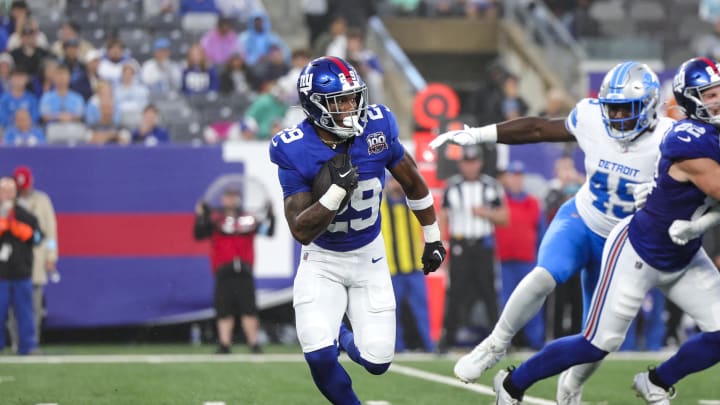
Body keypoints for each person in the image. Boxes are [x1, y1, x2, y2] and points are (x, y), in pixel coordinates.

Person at [430, 61, 674, 403]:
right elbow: (538, 129)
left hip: (621, 242)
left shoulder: (668, 138)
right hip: (581, 220)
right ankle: (495, 345)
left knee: (600, 340)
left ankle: (571, 384)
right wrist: (479, 133)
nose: (617, 117)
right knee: (547, 275)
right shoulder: (592, 118)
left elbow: (695, 183)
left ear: (648, 106)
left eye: (626, 108)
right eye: (612, 108)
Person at [482, 57, 720, 405]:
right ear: (690, 100)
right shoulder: (686, 139)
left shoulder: (710, 134)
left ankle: (656, 380)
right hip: (639, 251)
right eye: (710, 94)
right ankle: (513, 383)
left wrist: (701, 225)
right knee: (597, 342)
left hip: (683, 255)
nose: (717, 100)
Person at [269, 56, 446, 404]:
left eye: (354, 97)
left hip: (370, 257)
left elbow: (414, 183)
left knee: (377, 361)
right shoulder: (293, 148)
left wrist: (433, 237)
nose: (352, 107)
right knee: (319, 354)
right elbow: (301, 229)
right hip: (323, 259)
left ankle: (342, 334)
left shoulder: (377, 127)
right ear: (316, 106)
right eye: (341, 101)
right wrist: (336, 191)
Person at [437, 144, 507, 353]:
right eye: (466, 162)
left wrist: (485, 213)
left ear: (480, 163)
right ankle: (446, 341)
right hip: (460, 245)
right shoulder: (452, 187)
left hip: (483, 244)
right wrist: (441, 246)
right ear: (461, 164)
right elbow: (443, 217)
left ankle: (500, 341)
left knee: (489, 294)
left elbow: (504, 217)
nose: (470, 167)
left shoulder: (491, 186)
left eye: (473, 162)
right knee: (455, 293)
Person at [193, 188, 275, 354]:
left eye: (234, 197)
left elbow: (268, 231)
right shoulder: (215, 219)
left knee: (249, 309)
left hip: (244, 269)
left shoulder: (248, 220)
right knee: (224, 310)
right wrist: (200, 215)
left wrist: (271, 215)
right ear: (223, 199)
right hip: (223, 269)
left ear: (238, 199)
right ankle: (225, 344)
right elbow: (199, 233)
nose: (231, 200)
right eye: (228, 197)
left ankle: (254, 344)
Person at [380, 175, 435, 353]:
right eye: (394, 181)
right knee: (391, 310)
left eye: (399, 181)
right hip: (391, 268)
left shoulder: (413, 203)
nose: (397, 184)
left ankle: (429, 344)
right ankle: (396, 346)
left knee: (422, 308)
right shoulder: (380, 205)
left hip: (413, 266)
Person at [495, 161, 545, 350]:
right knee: (506, 302)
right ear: (507, 178)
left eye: (519, 176)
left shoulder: (532, 203)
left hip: (527, 261)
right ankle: (505, 342)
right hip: (505, 261)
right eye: (512, 175)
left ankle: (535, 341)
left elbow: (541, 232)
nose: (516, 180)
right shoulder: (500, 202)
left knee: (531, 301)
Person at [8, 166, 57, 346]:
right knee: (13, 306)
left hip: (35, 260)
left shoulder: (42, 201)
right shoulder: (8, 202)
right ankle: (15, 341)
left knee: (34, 305)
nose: (24, 190)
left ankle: (31, 342)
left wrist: (51, 256)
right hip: (14, 262)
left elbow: (50, 232)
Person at [0, 176, 41, 355]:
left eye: (10, 190)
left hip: (21, 272)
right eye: (4, 190)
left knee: (25, 312)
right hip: (1, 274)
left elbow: (39, 238)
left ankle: (27, 346)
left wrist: (20, 229)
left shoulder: (25, 215)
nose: (7, 194)